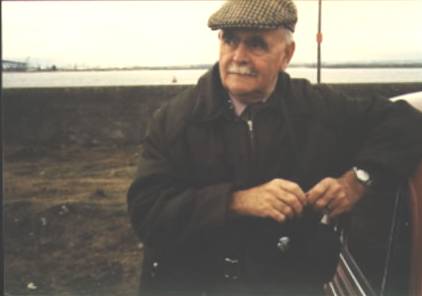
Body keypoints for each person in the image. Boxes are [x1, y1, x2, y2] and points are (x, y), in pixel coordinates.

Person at [127, 0, 422, 295]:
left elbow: (406, 122)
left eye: (256, 44)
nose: (238, 57)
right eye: (230, 40)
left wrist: (358, 180)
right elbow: (147, 210)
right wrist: (236, 202)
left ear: (287, 54)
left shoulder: (318, 108)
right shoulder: (175, 119)